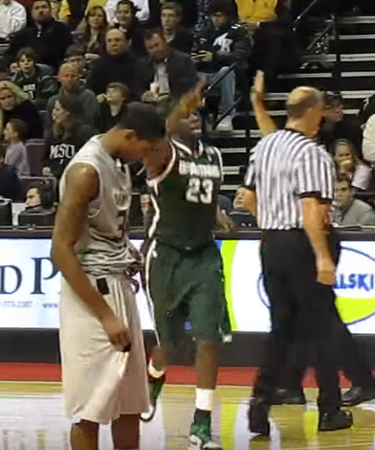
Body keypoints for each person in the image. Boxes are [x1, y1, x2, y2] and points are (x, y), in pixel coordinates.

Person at [49, 102, 165, 450]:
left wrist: (130, 252)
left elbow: (106, 230)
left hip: (118, 284)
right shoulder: (86, 170)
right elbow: (60, 250)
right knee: (91, 408)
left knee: (129, 405)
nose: (145, 157)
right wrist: (105, 315)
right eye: (145, 148)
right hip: (92, 295)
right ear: (130, 135)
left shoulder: (119, 162)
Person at [242, 85, 353, 436]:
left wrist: (270, 229)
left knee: (281, 329)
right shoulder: (312, 153)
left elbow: (246, 197)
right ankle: (329, 410)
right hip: (304, 244)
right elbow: (311, 210)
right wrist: (322, 256)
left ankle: (259, 403)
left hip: (272, 242)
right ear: (311, 112)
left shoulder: (265, 146)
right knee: (322, 329)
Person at [139, 85, 232, 449]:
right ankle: (153, 377)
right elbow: (164, 130)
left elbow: (206, 201)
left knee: (208, 340)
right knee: (170, 345)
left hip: (204, 255)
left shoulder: (213, 156)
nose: (194, 117)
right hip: (166, 256)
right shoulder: (160, 153)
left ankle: (202, 422)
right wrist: (181, 104)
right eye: (186, 115)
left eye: (197, 114)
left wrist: (220, 217)